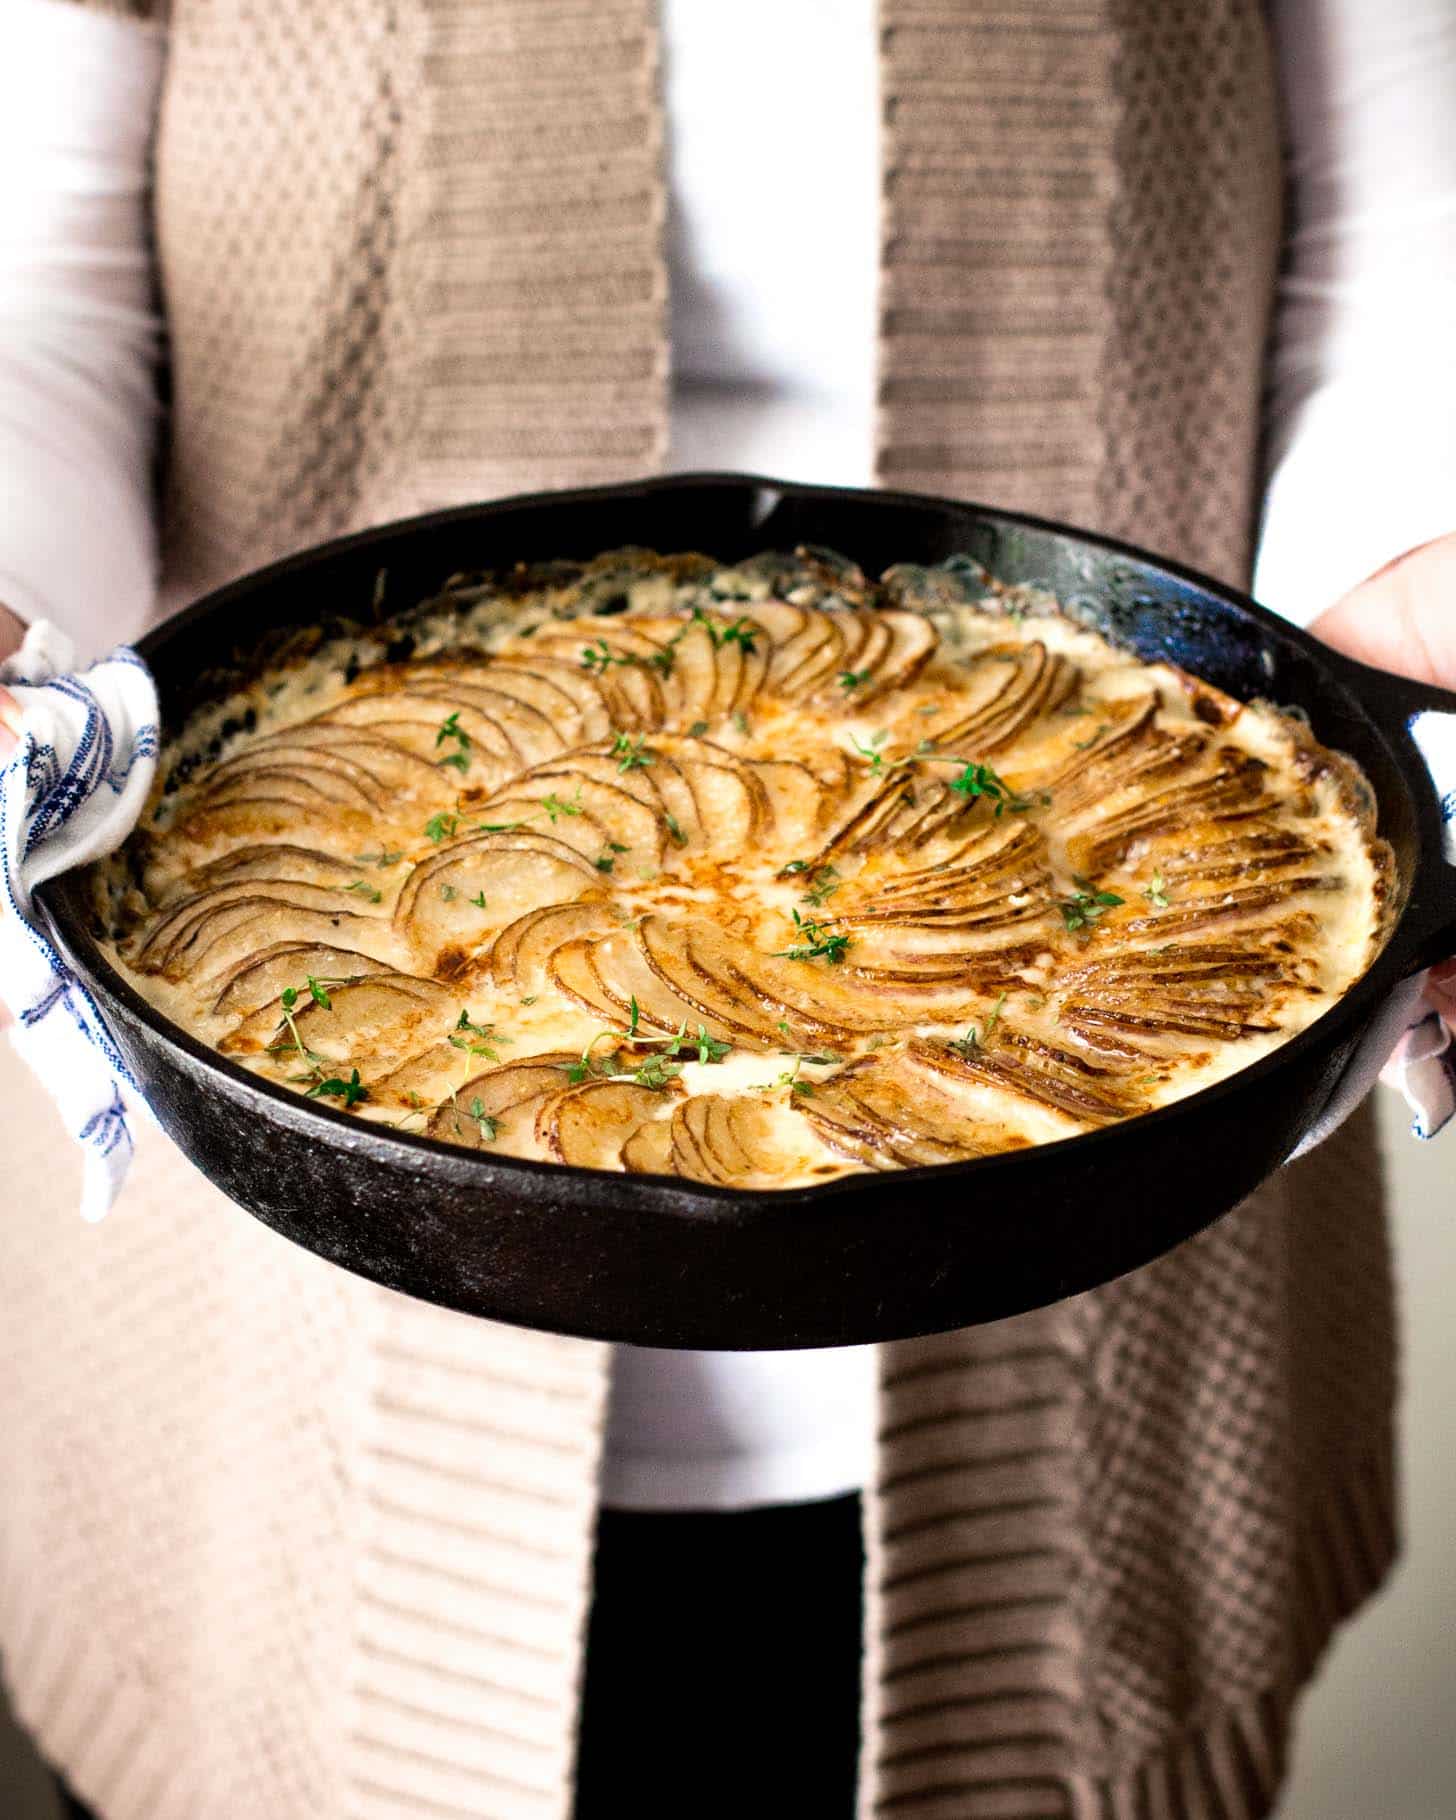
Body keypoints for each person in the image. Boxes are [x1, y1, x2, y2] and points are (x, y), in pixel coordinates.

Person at [0, 2, 1453, 1817]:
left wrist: (1415, 567)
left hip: (1123, 1293)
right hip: (271, 1369)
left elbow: (1401, 273)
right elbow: (37, 298)